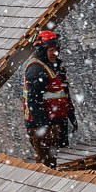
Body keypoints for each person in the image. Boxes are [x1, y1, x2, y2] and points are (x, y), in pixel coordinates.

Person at [23, 30, 78, 168]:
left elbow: (63, 94)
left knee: (54, 161)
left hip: (54, 122)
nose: (55, 53)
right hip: (41, 125)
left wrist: (70, 115)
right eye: (51, 50)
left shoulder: (54, 67)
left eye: (56, 49)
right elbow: (34, 102)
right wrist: (44, 127)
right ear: (42, 50)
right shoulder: (36, 69)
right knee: (46, 164)